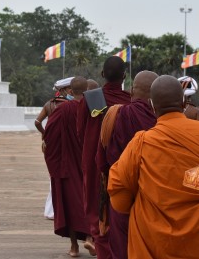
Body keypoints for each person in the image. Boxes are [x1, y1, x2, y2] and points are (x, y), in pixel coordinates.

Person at [108, 75, 199, 259]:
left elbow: (118, 192)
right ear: (184, 101)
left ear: (152, 106)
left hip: (154, 240)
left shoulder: (142, 143)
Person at [77, 56, 131, 259]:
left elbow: (80, 132)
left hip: (94, 163)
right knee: (118, 209)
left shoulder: (89, 99)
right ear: (124, 75)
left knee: (97, 207)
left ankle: (98, 239)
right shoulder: (130, 101)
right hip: (121, 162)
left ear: (102, 75)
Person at [100, 70, 158, 259]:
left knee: (122, 246)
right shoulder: (160, 121)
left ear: (132, 90)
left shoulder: (116, 114)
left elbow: (102, 159)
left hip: (121, 193)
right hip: (154, 197)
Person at [43, 76, 95, 257]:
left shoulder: (62, 109)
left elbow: (48, 137)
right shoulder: (93, 109)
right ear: (87, 92)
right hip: (88, 164)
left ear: (71, 92)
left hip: (67, 166)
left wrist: (53, 160)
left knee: (69, 204)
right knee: (89, 201)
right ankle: (90, 237)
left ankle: (74, 247)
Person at [35, 76, 74, 220]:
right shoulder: (70, 105)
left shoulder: (49, 105)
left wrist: (45, 135)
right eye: (70, 88)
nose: (72, 91)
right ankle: (58, 209)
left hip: (52, 145)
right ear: (63, 90)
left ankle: (52, 209)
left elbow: (37, 122)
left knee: (54, 176)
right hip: (65, 145)